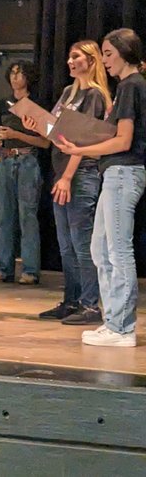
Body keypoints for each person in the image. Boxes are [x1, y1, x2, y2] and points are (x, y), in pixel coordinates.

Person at [57, 28, 146, 347]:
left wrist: (80, 150)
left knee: (118, 250)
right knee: (100, 248)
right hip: (115, 172)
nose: (105, 60)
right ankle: (113, 321)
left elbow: (123, 141)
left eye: (108, 54)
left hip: (125, 172)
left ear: (124, 52)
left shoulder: (132, 86)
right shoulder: (127, 87)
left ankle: (122, 326)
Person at [30, 41, 109, 325]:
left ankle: (90, 304)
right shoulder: (69, 92)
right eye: (69, 57)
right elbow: (55, 131)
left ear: (91, 59)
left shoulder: (95, 96)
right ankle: (72, 300)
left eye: (76, 56)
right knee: (66, 244)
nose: (70, 62)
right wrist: (36, 124)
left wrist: (67, 176)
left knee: (81, 242)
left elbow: (84, 140)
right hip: (61, 171)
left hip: (81, 173)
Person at [0, 60, 49, 284]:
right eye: (12, 73)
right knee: (4, 217)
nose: (15, 77)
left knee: (27, 216)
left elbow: (45, 142)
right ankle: (4, 268)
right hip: (5, 159)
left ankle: (30, 270)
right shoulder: (3, 103)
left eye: (20, 73)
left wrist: (18, 133)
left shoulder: (37, 103)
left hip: (27, 159)